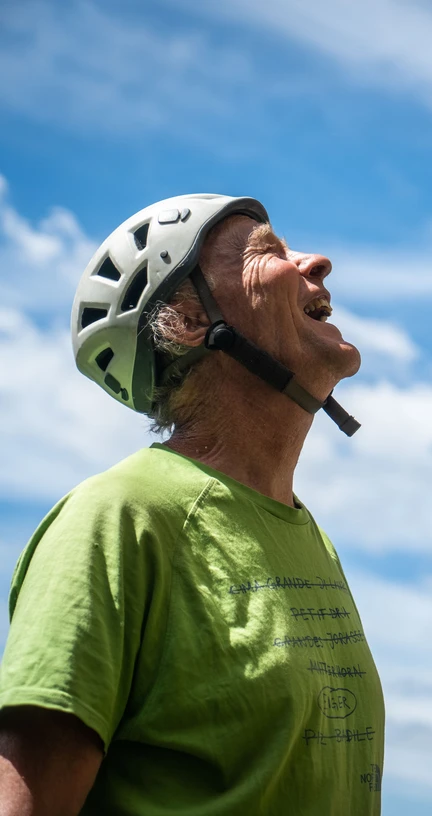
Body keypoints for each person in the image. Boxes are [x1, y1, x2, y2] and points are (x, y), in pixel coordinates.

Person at [0, 195, 383, 815]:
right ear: (187, 320)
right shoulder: (118, 519)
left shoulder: (309, 535)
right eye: (268, 251)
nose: (318, 262)